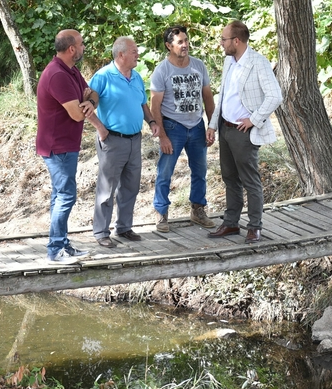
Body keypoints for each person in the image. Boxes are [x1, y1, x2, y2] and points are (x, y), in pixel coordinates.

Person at [206, 20, 283, 244]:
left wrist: (254, 119)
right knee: (230, 178)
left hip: (244, 131)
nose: (221, 43)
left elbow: (275, 96)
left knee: (250, 180)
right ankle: (231, 223)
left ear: (236, 41)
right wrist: (212, 124)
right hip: (225, 127)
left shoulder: (258, 63)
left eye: (224, 39)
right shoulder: (229, 61)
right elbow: (223, 97)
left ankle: (254, 227)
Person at [84, 37, 160, 248]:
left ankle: (124, 227)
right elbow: (90, 103)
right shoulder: (103, 76)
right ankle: (101, 232)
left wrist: (151, 121)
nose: (138, 55)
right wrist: (100, 127)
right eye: (134, 51)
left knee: (131, 186)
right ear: (121, 54)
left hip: (135, 140)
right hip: (113, 140)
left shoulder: (136, 77)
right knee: (107, 188)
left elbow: (142, 103)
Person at [36, 29, 98, 264]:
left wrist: (89, 101)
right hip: (57, 146)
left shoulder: (70, 70)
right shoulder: (57, 75)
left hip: (66, 144)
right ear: (72, 49)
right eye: (81, 44)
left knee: (60, 196)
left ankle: (61, 243)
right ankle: (55, 249)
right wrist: (87, 105)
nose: (83, 48)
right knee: (66, 196)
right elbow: (76, 115)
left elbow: (93, 93)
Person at [149, 25, 216, 232]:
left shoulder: (198, 66)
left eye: (186, 41)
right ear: (169, 46)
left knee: (200, 170)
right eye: (180, 42)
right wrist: (163, 136)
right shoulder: (162, 70)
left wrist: (211, 126)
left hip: (196, 125)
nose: (185, 45)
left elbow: (207, 97)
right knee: (165, 171)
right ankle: (161, 212)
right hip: (173, 126)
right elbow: (155, 106)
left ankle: (197, 209)